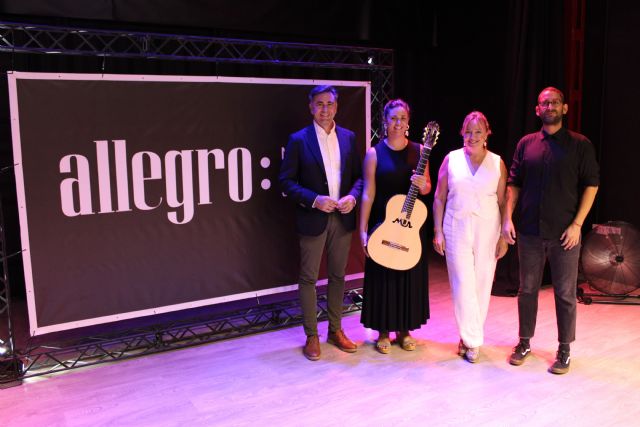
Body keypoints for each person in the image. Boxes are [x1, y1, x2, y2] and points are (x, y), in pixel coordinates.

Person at [502, 87, 599, 374]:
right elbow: (514, 183)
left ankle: (564, 348)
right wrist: (507, 218)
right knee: (527, 290)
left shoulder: (580, 144)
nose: (550, 106)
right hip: (529, 231)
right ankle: (524, 343)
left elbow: (592, 185)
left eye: (555, 102)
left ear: (564, 108)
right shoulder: (526, 144)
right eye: (545, 103)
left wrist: (577, 225)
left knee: (565, 293)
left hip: (565, 234)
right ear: (537, 109)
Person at [279, 85, 363, 361]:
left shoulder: (349, 137)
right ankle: (312, 335)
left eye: (329, 104)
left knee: (338, 276)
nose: (324, 109)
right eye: (319, 104)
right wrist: (314, 200)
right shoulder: (298, 140)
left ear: (337, 107)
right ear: (311, 107)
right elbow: (286, 182)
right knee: (309, 278)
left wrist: (353, 196)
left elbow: (360, 176)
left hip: (342, 217)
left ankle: (335, 330)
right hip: (312, 218)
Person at [432, 111, 508, 363]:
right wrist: (437, 231)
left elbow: (502, 201)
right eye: (468, 132)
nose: (472, 136)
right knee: (462, 283)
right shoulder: (451, 159)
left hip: (488, 228)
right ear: (461, 133)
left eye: (478, 132)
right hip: (456, 226)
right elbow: (439, 197)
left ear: (487, 134)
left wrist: (503, 236)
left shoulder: (497, 163)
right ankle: (473, 341)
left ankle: (467, 338)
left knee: (482, 283)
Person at [359, 99, 431, 354]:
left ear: (408, 122)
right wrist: (363, 229)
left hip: (410, 225)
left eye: (402, 118)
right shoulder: (374, 153)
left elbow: (427, 188)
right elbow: (367, 193)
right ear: (385, 121)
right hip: (383, 222)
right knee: (384, 276)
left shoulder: (421, 151)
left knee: (407, 275)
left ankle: (405, 330)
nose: (398, 123)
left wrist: (422, 184)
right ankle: (383, 331)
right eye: (393, 118)